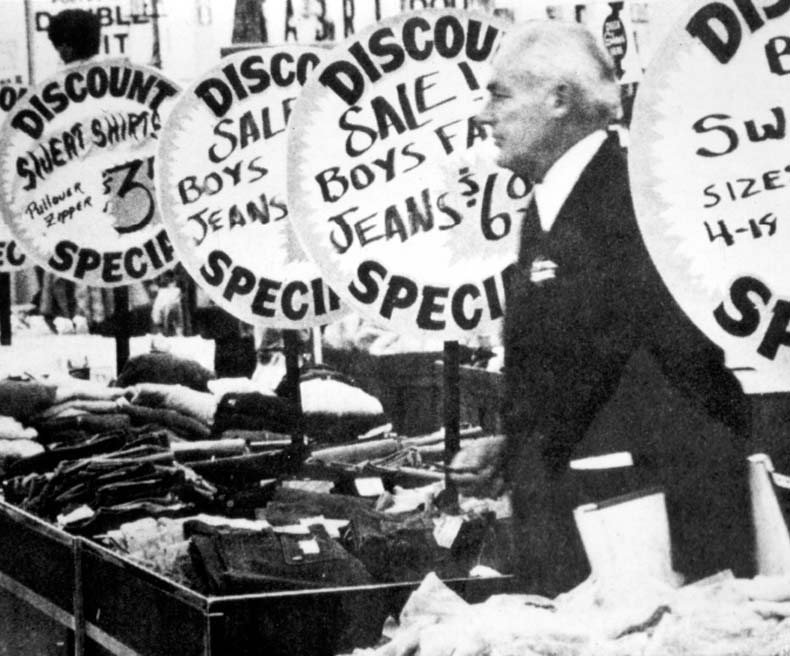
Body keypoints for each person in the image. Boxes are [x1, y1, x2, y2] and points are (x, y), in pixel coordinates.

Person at [450, 21, 753, 596]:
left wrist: (694, 575)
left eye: (499, 93)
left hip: (644, 550)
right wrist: (512, 444)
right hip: (584, 538)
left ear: (559, 99)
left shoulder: (635, 200)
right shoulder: (552, 203)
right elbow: (583, 372)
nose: (483, 115)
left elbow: (676, 385)